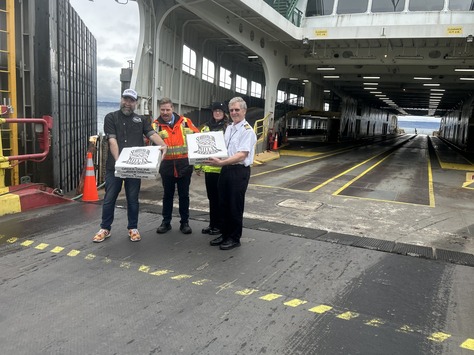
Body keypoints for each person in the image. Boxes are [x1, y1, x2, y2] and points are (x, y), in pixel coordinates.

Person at [93, 88, 167, 243]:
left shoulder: (141, 120)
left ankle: (133, 228)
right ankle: (105, 228)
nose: (128, 103)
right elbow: (112, 140)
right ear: (121, 100)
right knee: (109, 198)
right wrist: (119, 161)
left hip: (135, 169)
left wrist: (163, 144)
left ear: (136, 103)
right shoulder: (110, 117)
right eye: (125, 99)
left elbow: (151, 134)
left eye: (131, 100)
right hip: (114, 167)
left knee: (133, 199)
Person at [206, 97, 257, 250]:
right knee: (223, 203)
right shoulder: (229, 128)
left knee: (235, 205)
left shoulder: (247, 131)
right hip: (226, 169)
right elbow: (225, 150)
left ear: (244, 111)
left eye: (237, 110)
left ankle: (234, 238)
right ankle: (225, 233)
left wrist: (221, 162)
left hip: (238, 171)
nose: (234, 113)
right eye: (232, 110)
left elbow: (242, 155)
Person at [154, 97, 199, 234]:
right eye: (162, 110)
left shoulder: (185, 122)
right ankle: (166, 222)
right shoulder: (155, 126)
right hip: (166, 166)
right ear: (159, 110)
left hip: (184, 165)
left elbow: (198, 138)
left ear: (173, 109)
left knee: (184, 195)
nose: (165, 112)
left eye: (168, 109)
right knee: (167, 195)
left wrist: (198, 163)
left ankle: (184, 222)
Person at [195, 102, 229, 236]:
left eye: (220, 111)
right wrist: (198, 166)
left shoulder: (228, 128)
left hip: (221, 169)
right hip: (209, 170)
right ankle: (213, 224)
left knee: (221, 199)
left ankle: (220, 226)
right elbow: (199, 149)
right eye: (215, 111)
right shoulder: (206, 128)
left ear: (224, 113)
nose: (217, 113)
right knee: (212, 199)